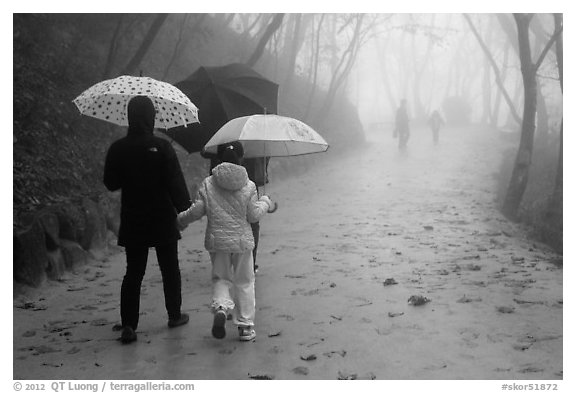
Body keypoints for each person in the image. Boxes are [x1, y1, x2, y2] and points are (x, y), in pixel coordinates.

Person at [103, 95, 192, 344]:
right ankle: (174, 315)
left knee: (134, 272)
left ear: (129, 117)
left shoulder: (118, 148)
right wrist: (185, 208)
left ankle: (129, 325)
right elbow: (175, 183)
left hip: (133, 218)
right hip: (162, 216)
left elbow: (111, 183)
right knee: (169, 268)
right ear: (151, 117)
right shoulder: (163, 147)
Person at [178, 143, 273, 342]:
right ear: (241, 159)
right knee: (244, 281)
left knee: (221, 278)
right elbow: (253, 216)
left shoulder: (208, 183)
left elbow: (197, 211)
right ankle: (245, 327)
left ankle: (221, 307)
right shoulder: (249, 185)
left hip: (217, 241)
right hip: (241, 242)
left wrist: (180, 220)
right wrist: (265, 202)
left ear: (219, 159)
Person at [202, 145, 269, 273]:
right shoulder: (250, 135)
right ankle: (248, 264)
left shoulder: (220, 135)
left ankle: (228, 264)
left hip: (220, 180)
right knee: (251, 222)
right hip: (244, 179)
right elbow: (205, 152)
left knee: (224, 220)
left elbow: (205, 152)